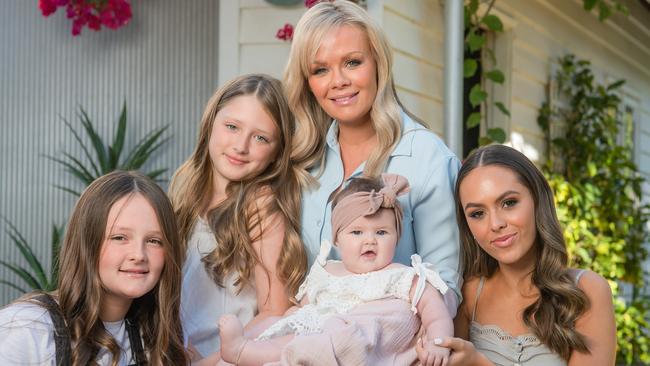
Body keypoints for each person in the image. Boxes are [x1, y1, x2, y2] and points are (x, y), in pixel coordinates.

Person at [284, 0, 462, 316]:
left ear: (378, 63)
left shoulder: (426, 157)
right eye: (320, 69)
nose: (338, 81)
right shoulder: (303, 164)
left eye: (352, 62)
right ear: (308, 83)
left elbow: (444, 287)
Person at [218, 174, 454, 366]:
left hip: (347, 341)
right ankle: (242, 350)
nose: (370, 240)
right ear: (337, 240)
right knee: (287, 338)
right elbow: (305, 307)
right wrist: (290, 318)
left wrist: (437, 341)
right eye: (357, 232)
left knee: (321, 342)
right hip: (312, 335)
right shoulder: (328, 270)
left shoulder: (402, 276)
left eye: (381, 232)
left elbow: (436, 312)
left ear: (397, 237)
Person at [433, 144, 616, 365]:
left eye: (509, 203)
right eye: (478, 213)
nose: (496, 224)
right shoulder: (469, 293)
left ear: (538, 200)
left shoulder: (586, 291)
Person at [168, 74, 307, 361]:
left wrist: (213, 360)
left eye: (260, 138)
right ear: (210, 123)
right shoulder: (186, 193)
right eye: (232, 127)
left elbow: (274, 311)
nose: (241, 146)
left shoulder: (260, 205)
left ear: (276, 153)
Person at [0, 170, 188, 365]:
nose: (139, 255)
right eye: (119, 237)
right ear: (87, 244)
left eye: (154, 241)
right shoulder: (28, 330)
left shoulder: (153, 338)